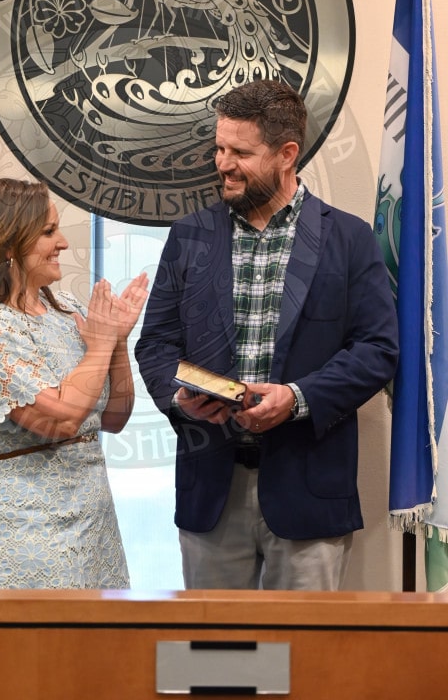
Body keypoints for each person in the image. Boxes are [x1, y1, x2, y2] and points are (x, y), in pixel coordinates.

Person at [135, 79, 398, 591]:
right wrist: (180, 396)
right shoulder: (189, 236)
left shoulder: (349, 238)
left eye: (240, 152)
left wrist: (297, 399)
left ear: (287, 154)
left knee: (302, 662)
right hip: (211, 488)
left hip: (309, 491)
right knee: (214, 660)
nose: (223, 163)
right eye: (218, 148)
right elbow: (157, 345)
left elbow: (377, 350)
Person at [0, 177, 148, 589]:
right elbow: (62, 419)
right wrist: (101, 343)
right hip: (22, 525)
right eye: (48, 232)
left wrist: (118, 343)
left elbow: (112, 418)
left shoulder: (68, 311)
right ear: (7, 245)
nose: (63, 243)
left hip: (93, 522)